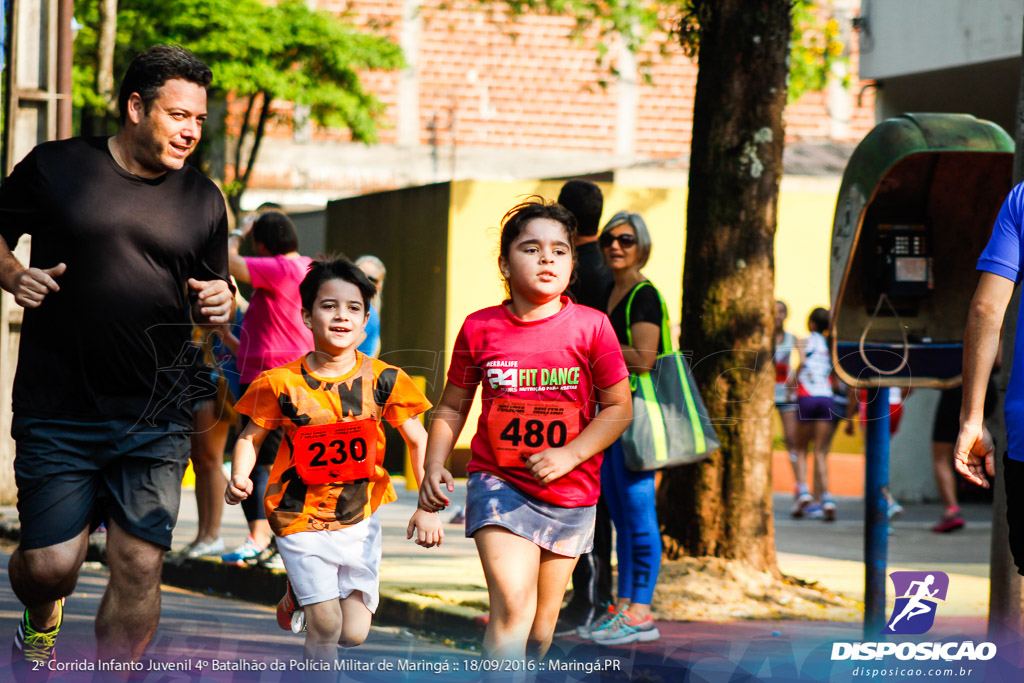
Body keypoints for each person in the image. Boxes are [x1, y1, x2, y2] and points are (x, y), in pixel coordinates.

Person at [0, 45, 232, 670]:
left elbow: (215, 290)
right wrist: (11, 272)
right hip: (58, 406)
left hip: (155, 414)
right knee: (51, 567)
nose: (190, 130)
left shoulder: (204, 199)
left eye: (199, 120)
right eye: (178, 114)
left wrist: (223, 297)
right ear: (136, 107)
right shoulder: (58, 167)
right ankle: (41, 617)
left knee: (139, 563)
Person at [414, 198, 632, 660]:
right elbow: (453, 405)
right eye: (531, 248)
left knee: (539, 630)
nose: (547, 257)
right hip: (499, 482)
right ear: (504, 263)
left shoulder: (594, 328)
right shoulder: (480, 328)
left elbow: (618, 407)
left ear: (572, 266)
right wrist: (433, 466)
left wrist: (570, 454)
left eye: (559, 249)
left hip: (572, 492)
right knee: (513, 609)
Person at [226, 258, 437, 673]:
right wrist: (239, 476)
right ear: (306, 315)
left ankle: (294, 595)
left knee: (352, 632)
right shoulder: (279, 382)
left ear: (365, 320)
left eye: (353, 307)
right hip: (296, 516)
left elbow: (418, 439)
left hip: (358, 517)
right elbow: (250, 437)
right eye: (328, 306)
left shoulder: (385, 379)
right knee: (324, 626)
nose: (342, 315)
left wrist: (427, 506)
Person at [570, 210, 664, 645]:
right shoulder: (610, 289)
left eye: (626, 240)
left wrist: (594, 346)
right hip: (610, 416)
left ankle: (641, 611)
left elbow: (645, 358)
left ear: (641, 245)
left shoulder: (644, 294)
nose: (615, 246)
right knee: (622, 519)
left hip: (638, 418)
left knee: (639, 515)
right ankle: (624, 607)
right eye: (609, 239)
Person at [224, 210, 313, 567]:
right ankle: (274, 539)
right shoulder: (304, 267)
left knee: (261, 460)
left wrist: (236, 232)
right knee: (275, 458)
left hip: (273, 380)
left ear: (262, 244)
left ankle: (267, 538)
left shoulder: (281, 268)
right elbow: (262, 339)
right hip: (277, 375)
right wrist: (224, 337)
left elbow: (226, 261)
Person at [553, 179, 615, 637]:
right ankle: (590, 597)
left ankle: (590, 600)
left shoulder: (575, 273)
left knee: (589, 504)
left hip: (583, 405)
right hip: (603, 404)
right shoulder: (610, 269)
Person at [791, 308, 841, 521]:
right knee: (821, 451)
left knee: (801, 449)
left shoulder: (803, 341)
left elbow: (801, 364)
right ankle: (827, 498)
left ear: (811, 323)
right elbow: (837, 382)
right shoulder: (832, 346)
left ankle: (803, 491)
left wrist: (789, 384)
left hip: (806, 395)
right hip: (826, 397)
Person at [774, 301, 806, 511]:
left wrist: (793, 382)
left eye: (781, 312)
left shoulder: (793, 338)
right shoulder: (760, 339)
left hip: (785, 395)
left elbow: (802, 360)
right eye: (773, 312)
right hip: (763, 396)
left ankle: (801, 488)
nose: (777, 316)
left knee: (792, 440)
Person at [355, 255, 386, 357]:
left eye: (371, 279)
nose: (364, 281)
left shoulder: (369, 315)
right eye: (360, 274)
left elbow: (341, 350)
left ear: (378, 287)